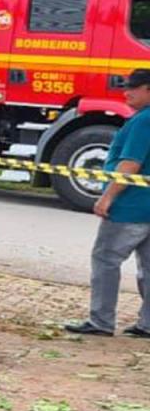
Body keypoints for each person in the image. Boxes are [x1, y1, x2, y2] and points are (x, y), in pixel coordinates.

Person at [65, 68, 150, 338]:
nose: (126, 92)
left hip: (131, 205)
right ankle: (147, 324)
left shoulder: (142, 121)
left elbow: (130, 164)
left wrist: (107, 196)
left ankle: (101, 321)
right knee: (148, 267)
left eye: (133, 87)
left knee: (106, 259)